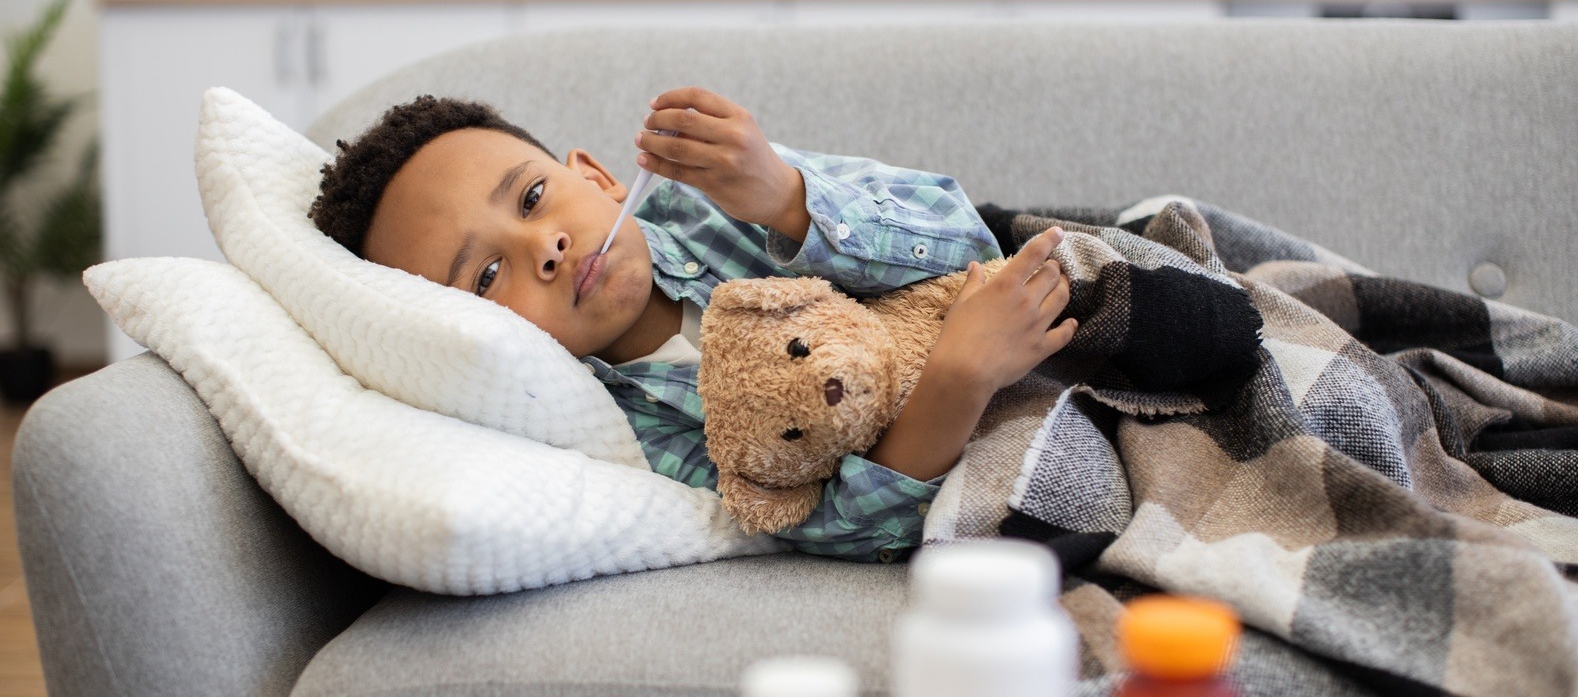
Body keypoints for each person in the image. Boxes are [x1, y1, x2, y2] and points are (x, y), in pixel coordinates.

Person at [308, 86, 1078, 562]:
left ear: (598, 176)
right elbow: (842, 528)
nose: (543, 248)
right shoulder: (621, 427)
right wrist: (956, 378)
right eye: (483, 276)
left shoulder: (724, 195)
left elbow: (967, 233)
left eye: (534, 199)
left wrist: (786, 197)